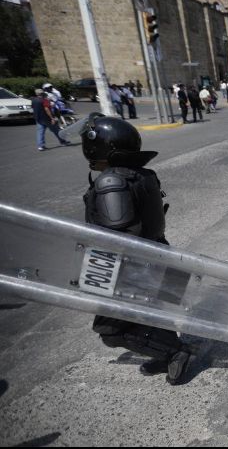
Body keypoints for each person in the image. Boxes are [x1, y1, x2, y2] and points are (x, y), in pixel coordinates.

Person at [79, 114, 191, 385]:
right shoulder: (140, 173)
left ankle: (174, 351)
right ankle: (167, 353)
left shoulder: (111, 182)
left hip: (133, 265)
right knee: (151, 313)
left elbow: (119, 237)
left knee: (109, 331)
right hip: (155, 254)